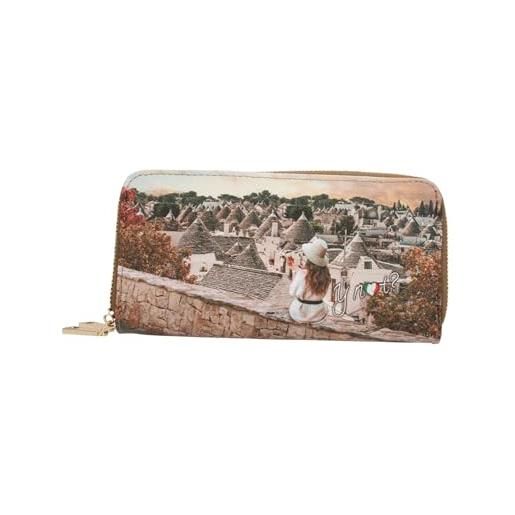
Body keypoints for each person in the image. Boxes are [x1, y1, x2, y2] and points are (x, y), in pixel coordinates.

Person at [289, 237, 331, 323]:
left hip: (300, 313)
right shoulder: (326, 275)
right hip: (319, 313)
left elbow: (292, 292)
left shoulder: (302, 274)